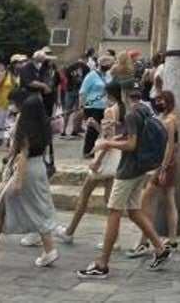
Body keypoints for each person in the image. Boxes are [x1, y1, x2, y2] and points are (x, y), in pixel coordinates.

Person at [76, 82, 172, 279]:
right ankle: (160, 248)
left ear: (124, 94)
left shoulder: (130, 114)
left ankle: (102, 264)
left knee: (114, 212)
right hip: (141, 168)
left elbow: (131, 144)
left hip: (128, 170)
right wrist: (117, 136)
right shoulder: (144, 109)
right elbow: (131, 134)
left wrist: (106, 142)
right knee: (134, 211)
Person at [0, 95, 59, 270]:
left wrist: (18, 181)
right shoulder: (45, 125)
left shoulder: (25, 126)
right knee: (39, 208)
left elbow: (23, 154)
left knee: (0, 210)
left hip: (27, 169)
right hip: (40, 168)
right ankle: (49, 249)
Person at [56, 81, 122, 246]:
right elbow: (115, 134)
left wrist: (97, 161)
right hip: (116, 154)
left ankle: (70, 231)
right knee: (109, 199)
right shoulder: (123, 109)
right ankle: (113, 238)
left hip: (106, 155)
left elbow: (107, 138)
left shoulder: (109, 111)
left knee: (85, 194)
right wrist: (95, 126)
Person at [130, 89, 180, 254]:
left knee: (145, 201)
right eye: (158, 99)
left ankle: (145, 241)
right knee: (168, 200)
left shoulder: (170, 120)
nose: (159, 102)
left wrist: (163, 168)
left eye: (163, 100)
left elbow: (170, 145)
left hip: (166, 164)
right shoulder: (165, 118)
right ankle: (172, 240)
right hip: (169, 163)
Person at [80, 55, 112, 158]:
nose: (110, 66)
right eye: (108, 64)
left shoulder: (107, 75)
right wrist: (82, 107)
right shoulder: (91, 75)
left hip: (105, 106)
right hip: (93, 106)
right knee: (92, 130)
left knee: (104, 129)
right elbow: (83, 92)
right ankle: (88, 151)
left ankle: (99, 150)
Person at [62, 53, 88, 138]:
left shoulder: (70, 67)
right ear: (85, 59)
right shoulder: (86, 68)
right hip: (81, 90)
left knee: (67, 110)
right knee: (78, 110)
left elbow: (66, 77)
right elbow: (86, 80)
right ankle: (74, 130)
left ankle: (63, 130)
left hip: (70, 90)